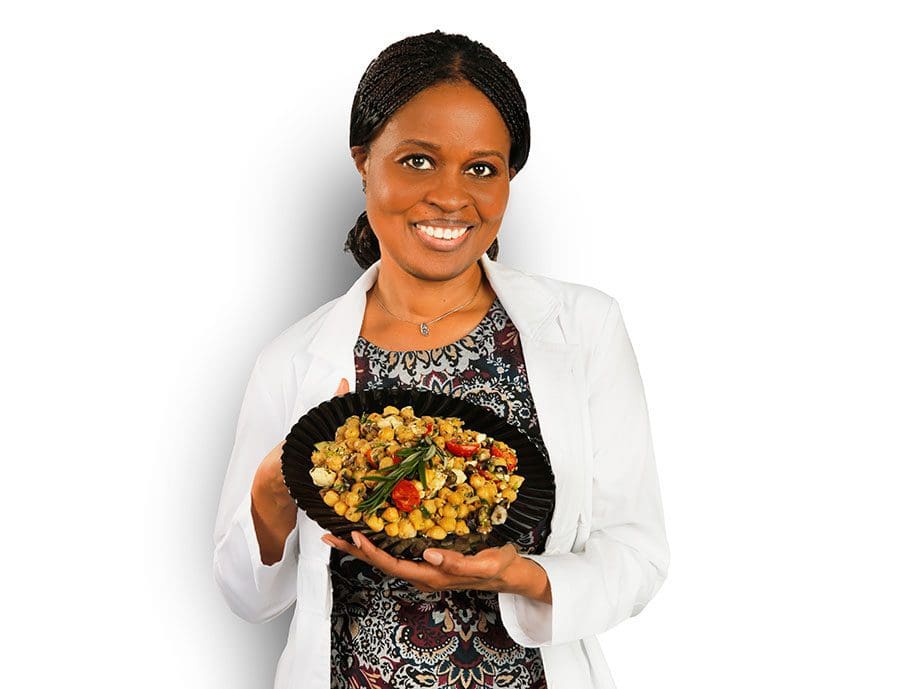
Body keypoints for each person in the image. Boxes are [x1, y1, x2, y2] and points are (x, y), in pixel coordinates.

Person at [213, 29, 670, 689]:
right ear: (364, 160)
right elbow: (247, 595)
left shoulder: (584, 329)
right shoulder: (292, 359)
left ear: (509, 177)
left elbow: (638, 551)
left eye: (482, 168)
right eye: (419, 161)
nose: (451, 197)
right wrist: (270, 493)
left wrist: (523, 575)